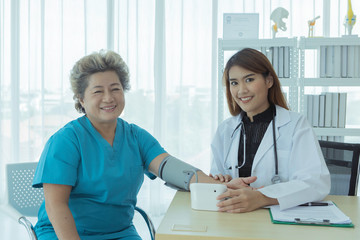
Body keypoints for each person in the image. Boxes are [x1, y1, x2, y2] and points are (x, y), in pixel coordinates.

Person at [32, 50, 254, 240]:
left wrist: (228, 186)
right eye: (98, 91)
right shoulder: (65, 141)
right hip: (66, 232)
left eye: (115, 89)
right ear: (81, 99)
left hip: (119, 232)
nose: (108, 98)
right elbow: (55, 206)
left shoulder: (135, 136)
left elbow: (174, 170)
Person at [210, 48, 330, 213]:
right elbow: (216, 179)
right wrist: (220, 182)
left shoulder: (296, 124)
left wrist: (262, 197)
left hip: (278, 219)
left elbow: (316, 183)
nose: (241, 90)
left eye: (249, 79)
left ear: (269, 81)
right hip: (234, 216)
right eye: (234, 83)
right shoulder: (226, 129)